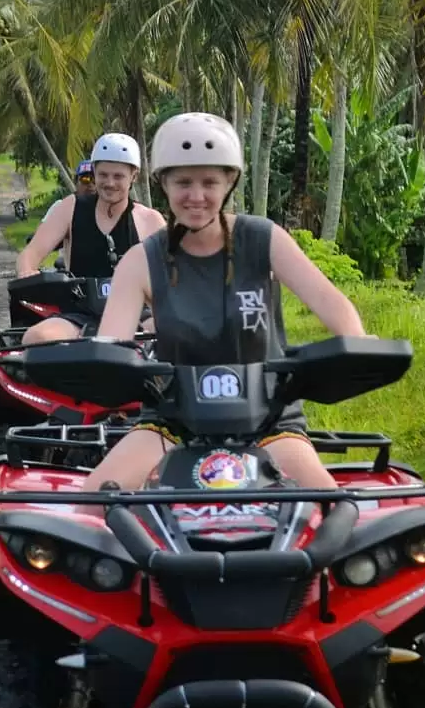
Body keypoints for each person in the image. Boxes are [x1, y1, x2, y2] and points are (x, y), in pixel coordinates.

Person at [82, 112, 367, 494]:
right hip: (172, 422)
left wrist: (357, 350)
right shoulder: (141, 261)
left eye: (209, 182)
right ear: (162, 182)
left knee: (329, 509)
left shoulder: (264, 240)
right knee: (93, 501)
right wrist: (105, 372)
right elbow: (112, 347)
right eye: (183, 182)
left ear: (229, 182)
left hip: (269, 421)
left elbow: (331, 304)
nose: (196, 196)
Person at [15, 133, 166, 341]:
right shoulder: (70, 208)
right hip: (80, 313)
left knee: (174, 330)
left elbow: (173, 278)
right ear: (94, 171)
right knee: (37, 336)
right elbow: (30, 253)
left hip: (136, 314)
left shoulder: (150, 220)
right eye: (103, 175)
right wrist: (27, 272)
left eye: (118, 176)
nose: (110, 183)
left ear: (134, 176)